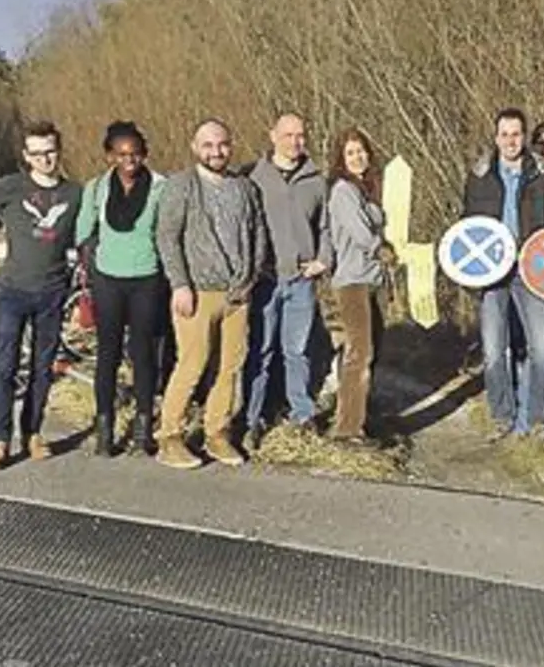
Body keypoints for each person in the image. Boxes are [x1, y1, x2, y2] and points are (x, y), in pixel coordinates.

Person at [0, 120, 83, 471]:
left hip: (53, 291)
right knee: (5, 366)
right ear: (27, 156)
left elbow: (87, 233)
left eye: (51, 151)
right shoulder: (12, 186)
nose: (45, 159)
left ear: (59, 152)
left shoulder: (75, 194)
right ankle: (0, 438)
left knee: (42, 368)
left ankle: (33, 432)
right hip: (13, 289)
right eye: (37, 153)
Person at [155, 118, 268, 469]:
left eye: (221, 144)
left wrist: (249, 277)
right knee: (192, 364)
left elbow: (258, 233)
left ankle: (217, 432)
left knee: (229, 367)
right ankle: (169, 436)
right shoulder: (181, 186)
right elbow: (167, 237)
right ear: (195, 147)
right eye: (208, 145)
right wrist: (179, 284)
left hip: (237, 293)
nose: (216, 151)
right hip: (197, 293)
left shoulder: (244, 188)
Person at [462, 107, 544, 439]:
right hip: (493, 272)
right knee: (494, 351)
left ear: (524, 137)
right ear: (496, 138)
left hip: (531, 270)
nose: (510, 140)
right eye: (504, 134)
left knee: (542, 348)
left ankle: (536, 420)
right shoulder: (479, 177)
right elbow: (468, 227)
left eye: (516, 134)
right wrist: (470, 273)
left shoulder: (542, 176)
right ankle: (501, 416)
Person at [72, 120, 168, 458]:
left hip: (146, 278)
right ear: (110, 156)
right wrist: (89, 253)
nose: (130, 160)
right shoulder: (96, 189)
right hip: (108, 280)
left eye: (136, 154)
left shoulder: (160, 187)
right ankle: (105, 427)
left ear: (145, 154)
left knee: (142, 353)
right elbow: (82, 231)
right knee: (107, 354)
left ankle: (143, 428)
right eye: (122, 154)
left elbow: (168, 233)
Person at [242, 112, 333, 449]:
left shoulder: (315, 180)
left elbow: (326, 226)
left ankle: (302, 414)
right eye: (288, 134)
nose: (295, 141)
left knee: (297, 351)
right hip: (266, 280)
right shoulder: (252, 176)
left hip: (301, 281)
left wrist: (323, 259)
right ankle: (252, 419)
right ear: (272, 136)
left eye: (300, 135)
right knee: (261, 352)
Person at [327, 127, 386, 443]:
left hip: (373, 280)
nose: (357, 157)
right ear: (341, 159)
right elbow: (362, 234)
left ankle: (360, 416)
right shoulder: (343, 192)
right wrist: (383, 247)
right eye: (350, 153)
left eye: (361, 150)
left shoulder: (368, 189)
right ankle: (346, 428)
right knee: (358, 353)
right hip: (352, 281)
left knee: (373, 350)